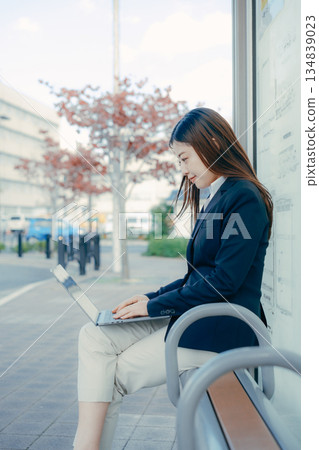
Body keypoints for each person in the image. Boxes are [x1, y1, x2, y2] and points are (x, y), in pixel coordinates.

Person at [73, 107, 273, 450]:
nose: (182, 171)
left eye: (184, 159)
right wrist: (148, 299)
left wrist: (155, 306)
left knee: (111, 375)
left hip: (220, 331)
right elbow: (199, 275)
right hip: (199, 318)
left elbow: (224, 282)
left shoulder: (245, 198)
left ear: (212, 143)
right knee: (94, 336)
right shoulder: (221, 195)